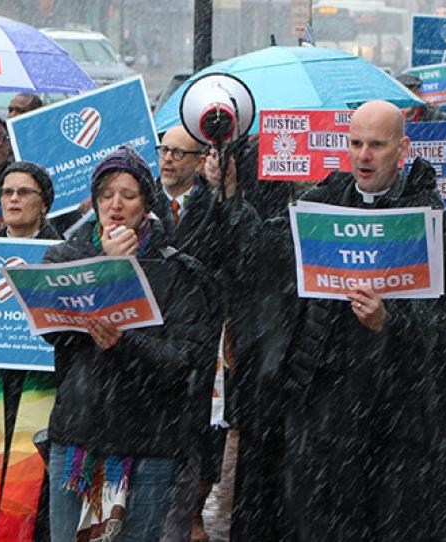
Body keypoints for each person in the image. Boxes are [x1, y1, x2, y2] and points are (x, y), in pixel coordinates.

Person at [241, 100, 446, 540]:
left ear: (402, 147)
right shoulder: (317, 206)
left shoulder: (429, 221)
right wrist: (227, 194)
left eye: (376, 145)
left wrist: (391, 321)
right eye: (355, 143)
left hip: (396, 418)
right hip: (323, 413)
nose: (363, 155)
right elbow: (263, 270)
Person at [42, 146, 221, 542]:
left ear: (147, 203)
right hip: (78, 436)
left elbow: (183, 361)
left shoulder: (177, 272)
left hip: (149, 443)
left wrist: (126, 343)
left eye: (129, 194)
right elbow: (53, 332)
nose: (116, 205)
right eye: (106, 194)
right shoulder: (63, 259)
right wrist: (107, 269)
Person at [153, 125, 259, 542]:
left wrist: (227, 196)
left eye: (179, 153)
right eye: (163, 150)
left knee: (204, 426)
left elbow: (243, 253)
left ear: (201, 162)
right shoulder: (144, 202)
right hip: (156, 334)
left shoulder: (213, 204)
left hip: (204, 334)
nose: (168, 159)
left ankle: (195, 509)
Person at [0, 162, 61, 541]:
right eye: (7, 192)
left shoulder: (62, 254)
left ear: (44, 204)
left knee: (30, 473)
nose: (14, 199)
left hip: (40, 380)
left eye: (24, 192)